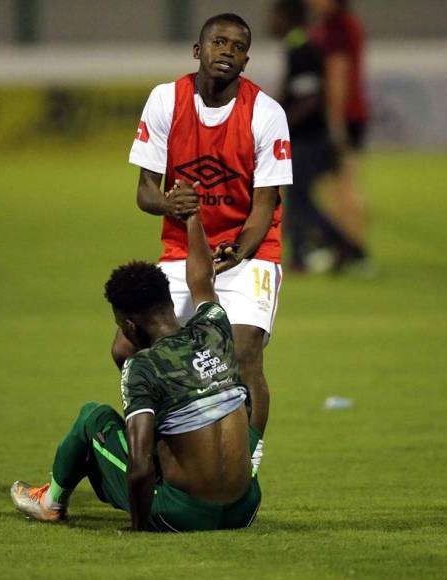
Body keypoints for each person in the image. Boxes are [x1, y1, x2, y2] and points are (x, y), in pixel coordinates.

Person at [11, 212, 263, 532]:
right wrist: (192, 218)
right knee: (224, 409)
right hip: (245, 508)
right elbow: (202, 280)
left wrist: (139, 528)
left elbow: (140, 463)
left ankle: (50, 503)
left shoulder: (141, 367)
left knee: (93, 416)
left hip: (182, 513)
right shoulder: (214, 327)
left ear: (129, 325)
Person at [123, 14, 293, 449]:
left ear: (246, 60)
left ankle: (246, 465)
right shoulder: (166, 101)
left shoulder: (266, 113)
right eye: (219, 42)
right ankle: (175, 446)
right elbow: (145, 191)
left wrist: (238, 251)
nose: (227, 52)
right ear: (198, 51)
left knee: (243, 354)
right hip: (182, 251)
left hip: (249, 254)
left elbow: (265, 205)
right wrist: (168, 203)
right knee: (128, 349)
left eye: (238, 47)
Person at [269, 0, 361, 274]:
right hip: (305, 137)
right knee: (296, 197)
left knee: (299, 197)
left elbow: (310, 97)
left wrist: (281, 121)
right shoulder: (297, 46)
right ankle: (300, 255)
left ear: (288, 18)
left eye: (275, 16)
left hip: (308, 138)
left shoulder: (301, 49)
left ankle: (343, 245)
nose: (270, 23)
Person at [307, 0, 372, 274]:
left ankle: (356, 252)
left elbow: (338, 74)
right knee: (333, 186)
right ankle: (345, 249)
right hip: (345, 116)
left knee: (342, 187)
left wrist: (334, 124)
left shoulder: (338, 27)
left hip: (342, 118)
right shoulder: (341, 24)